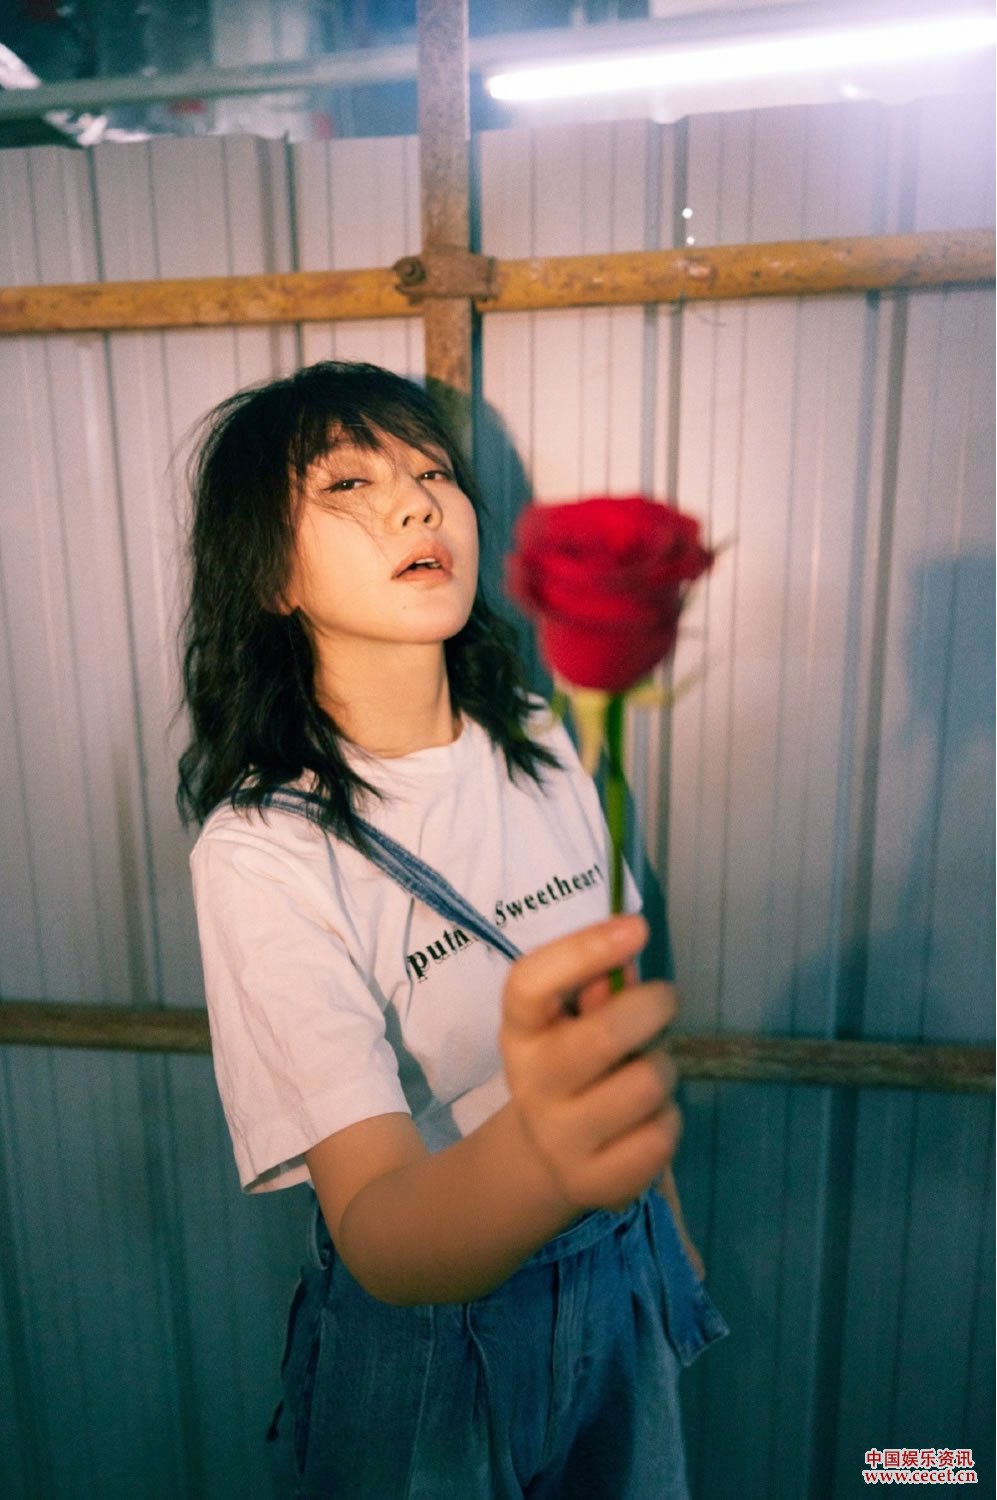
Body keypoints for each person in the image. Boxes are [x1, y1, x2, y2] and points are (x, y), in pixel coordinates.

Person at [178, 360, 726, 1500]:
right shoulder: (264, 849)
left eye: (433, 474)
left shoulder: (542, 740)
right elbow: (379, 1232)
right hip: (435, 1350)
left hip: (622, 1278)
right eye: (348, 484)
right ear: (268, 574)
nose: (416, 505)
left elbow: (612, 1030)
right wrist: (543, 1159)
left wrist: (661, 1228)